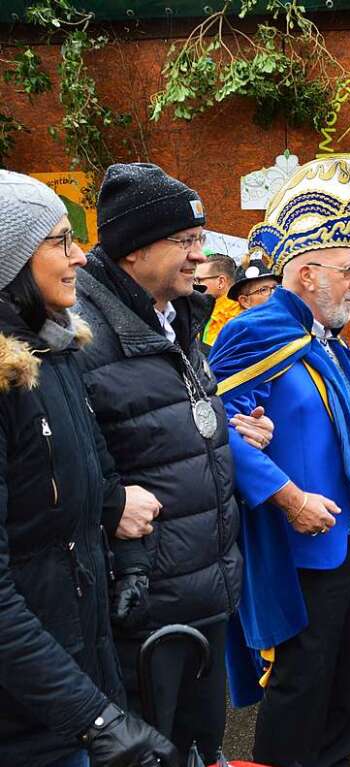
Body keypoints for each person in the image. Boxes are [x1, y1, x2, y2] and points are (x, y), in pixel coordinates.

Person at [73, 163, 265, 759]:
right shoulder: (82, 332)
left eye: (200, 240)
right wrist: (113, 511)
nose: (199, 256)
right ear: (132, 252)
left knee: (199, 746)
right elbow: (79, 455)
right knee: (154, 750)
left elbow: (158, 423)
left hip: (199, 588)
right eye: (184, 242)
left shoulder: (175, 314)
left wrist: (227, 433)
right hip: (144, 605)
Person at [209, 155, 350, 766]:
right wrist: (288, 497)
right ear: (308, 272)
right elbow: (217, 429)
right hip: (304, 534)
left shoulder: (329, 337)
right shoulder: (256, 329)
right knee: (302, 675)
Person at [0, 171, 176, 767]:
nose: (79, 256)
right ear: (12, 258)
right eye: (59, 241)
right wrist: (94, 719)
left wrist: (128, 565)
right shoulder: (7, 378)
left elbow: (101, 477)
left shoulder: (55, 350)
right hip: (27, 716)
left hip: (79, 669)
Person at [194, 251, 240, 349]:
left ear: (221, 282)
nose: (194, 285)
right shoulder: (204, 308)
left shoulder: (236, 319)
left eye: (198, 280)